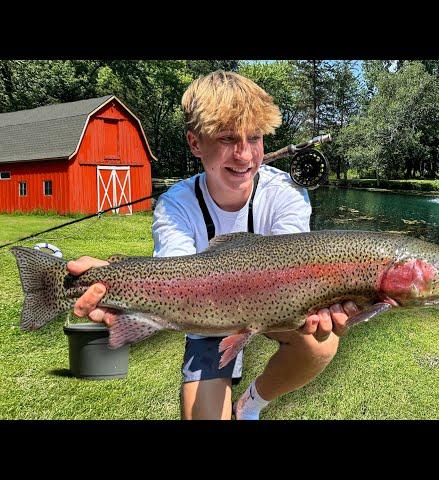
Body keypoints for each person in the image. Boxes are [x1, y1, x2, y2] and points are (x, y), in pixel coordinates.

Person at [67, 70, 359, 420]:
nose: (244, 155)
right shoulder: (175, 205)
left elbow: (293, 273)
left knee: (321, 343)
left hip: (276, 309)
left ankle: (250, 405)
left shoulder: (286, 194)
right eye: (226, 139)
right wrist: (115, 282)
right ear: (195, 143)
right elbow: (171, 280)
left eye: (254, 137)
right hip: (205, 315)